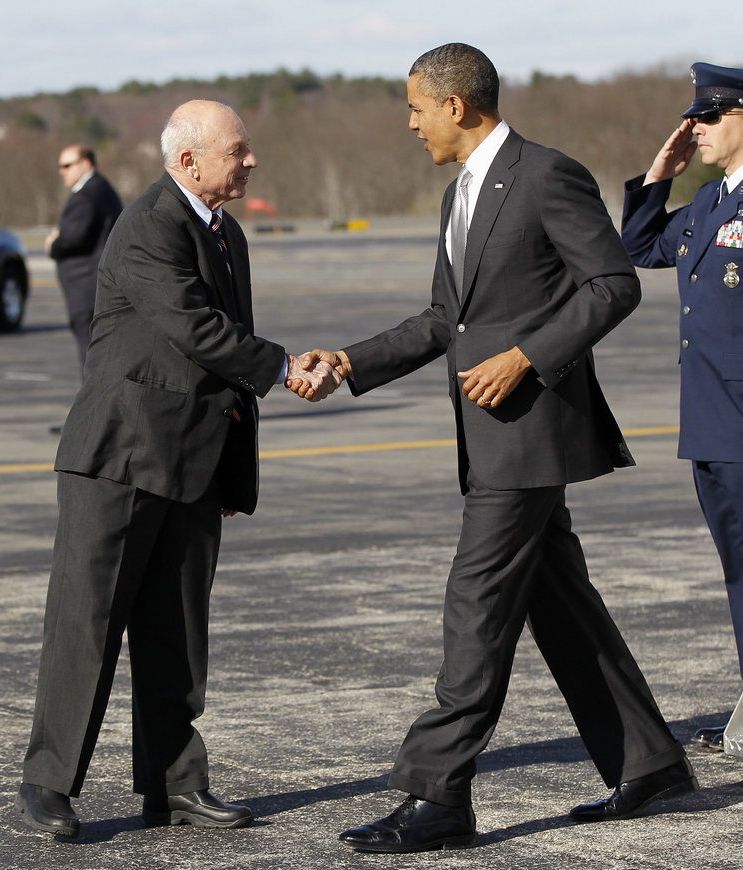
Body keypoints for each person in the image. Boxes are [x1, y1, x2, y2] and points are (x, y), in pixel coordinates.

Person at [292, 43, 697, 854]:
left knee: (474, 606)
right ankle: (649, 761)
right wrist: (349, 361)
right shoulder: (459, 196)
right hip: (490, 440)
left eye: (415, 107)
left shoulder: (546, 175)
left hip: (531, 433)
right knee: (559, 601)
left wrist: (528, 356)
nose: (409, 123)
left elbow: (612, 282)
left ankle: (437, 793)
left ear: (457, 104)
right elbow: (446, 320)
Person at [16, 100, 338, 838]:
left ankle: (175, 785)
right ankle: (48, 785)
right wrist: (288, 368)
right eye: (238, 150)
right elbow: (199, 331)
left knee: (177, 634)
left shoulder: (227, 235)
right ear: (188, 160)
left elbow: (223, 354)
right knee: (87, 628)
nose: (251, 161)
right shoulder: (149, 226)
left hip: (190, 465)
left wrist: (230, 469)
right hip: (121, 458)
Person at [622, 62, 743, 752]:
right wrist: (657, 175)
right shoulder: (708, 204)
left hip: (740, 424)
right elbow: (639, 246)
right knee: (739, 575)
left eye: (710, 116)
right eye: (691, 118)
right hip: (713, 426)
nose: (693, 128)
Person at [46, 144, 123, 374]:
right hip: (97, 285)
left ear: (86, 164)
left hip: (87, 287)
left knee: (91, 358)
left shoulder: (86, 195)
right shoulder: (100, 188)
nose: (62, 171)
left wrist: (54, 243)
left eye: (67, 165)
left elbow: (74, 238)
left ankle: (93, 410)